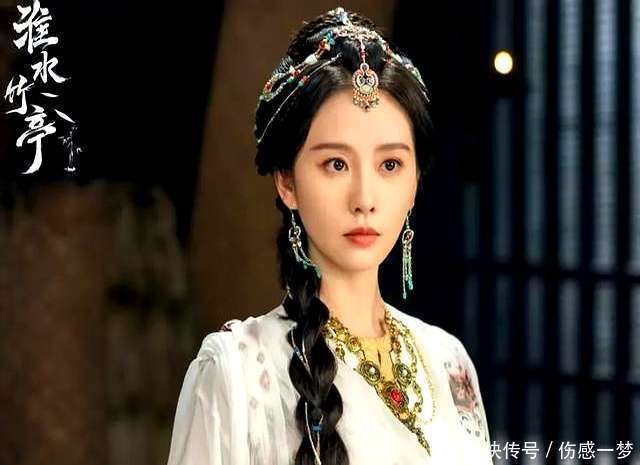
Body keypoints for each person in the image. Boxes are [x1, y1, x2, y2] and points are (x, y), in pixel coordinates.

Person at [166, 7, 492, 465]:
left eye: (390, 165)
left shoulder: (448, 360)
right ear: (287, 182)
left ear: (415, 182)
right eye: (336, 164)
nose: (364, 198)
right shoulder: (237, 373)